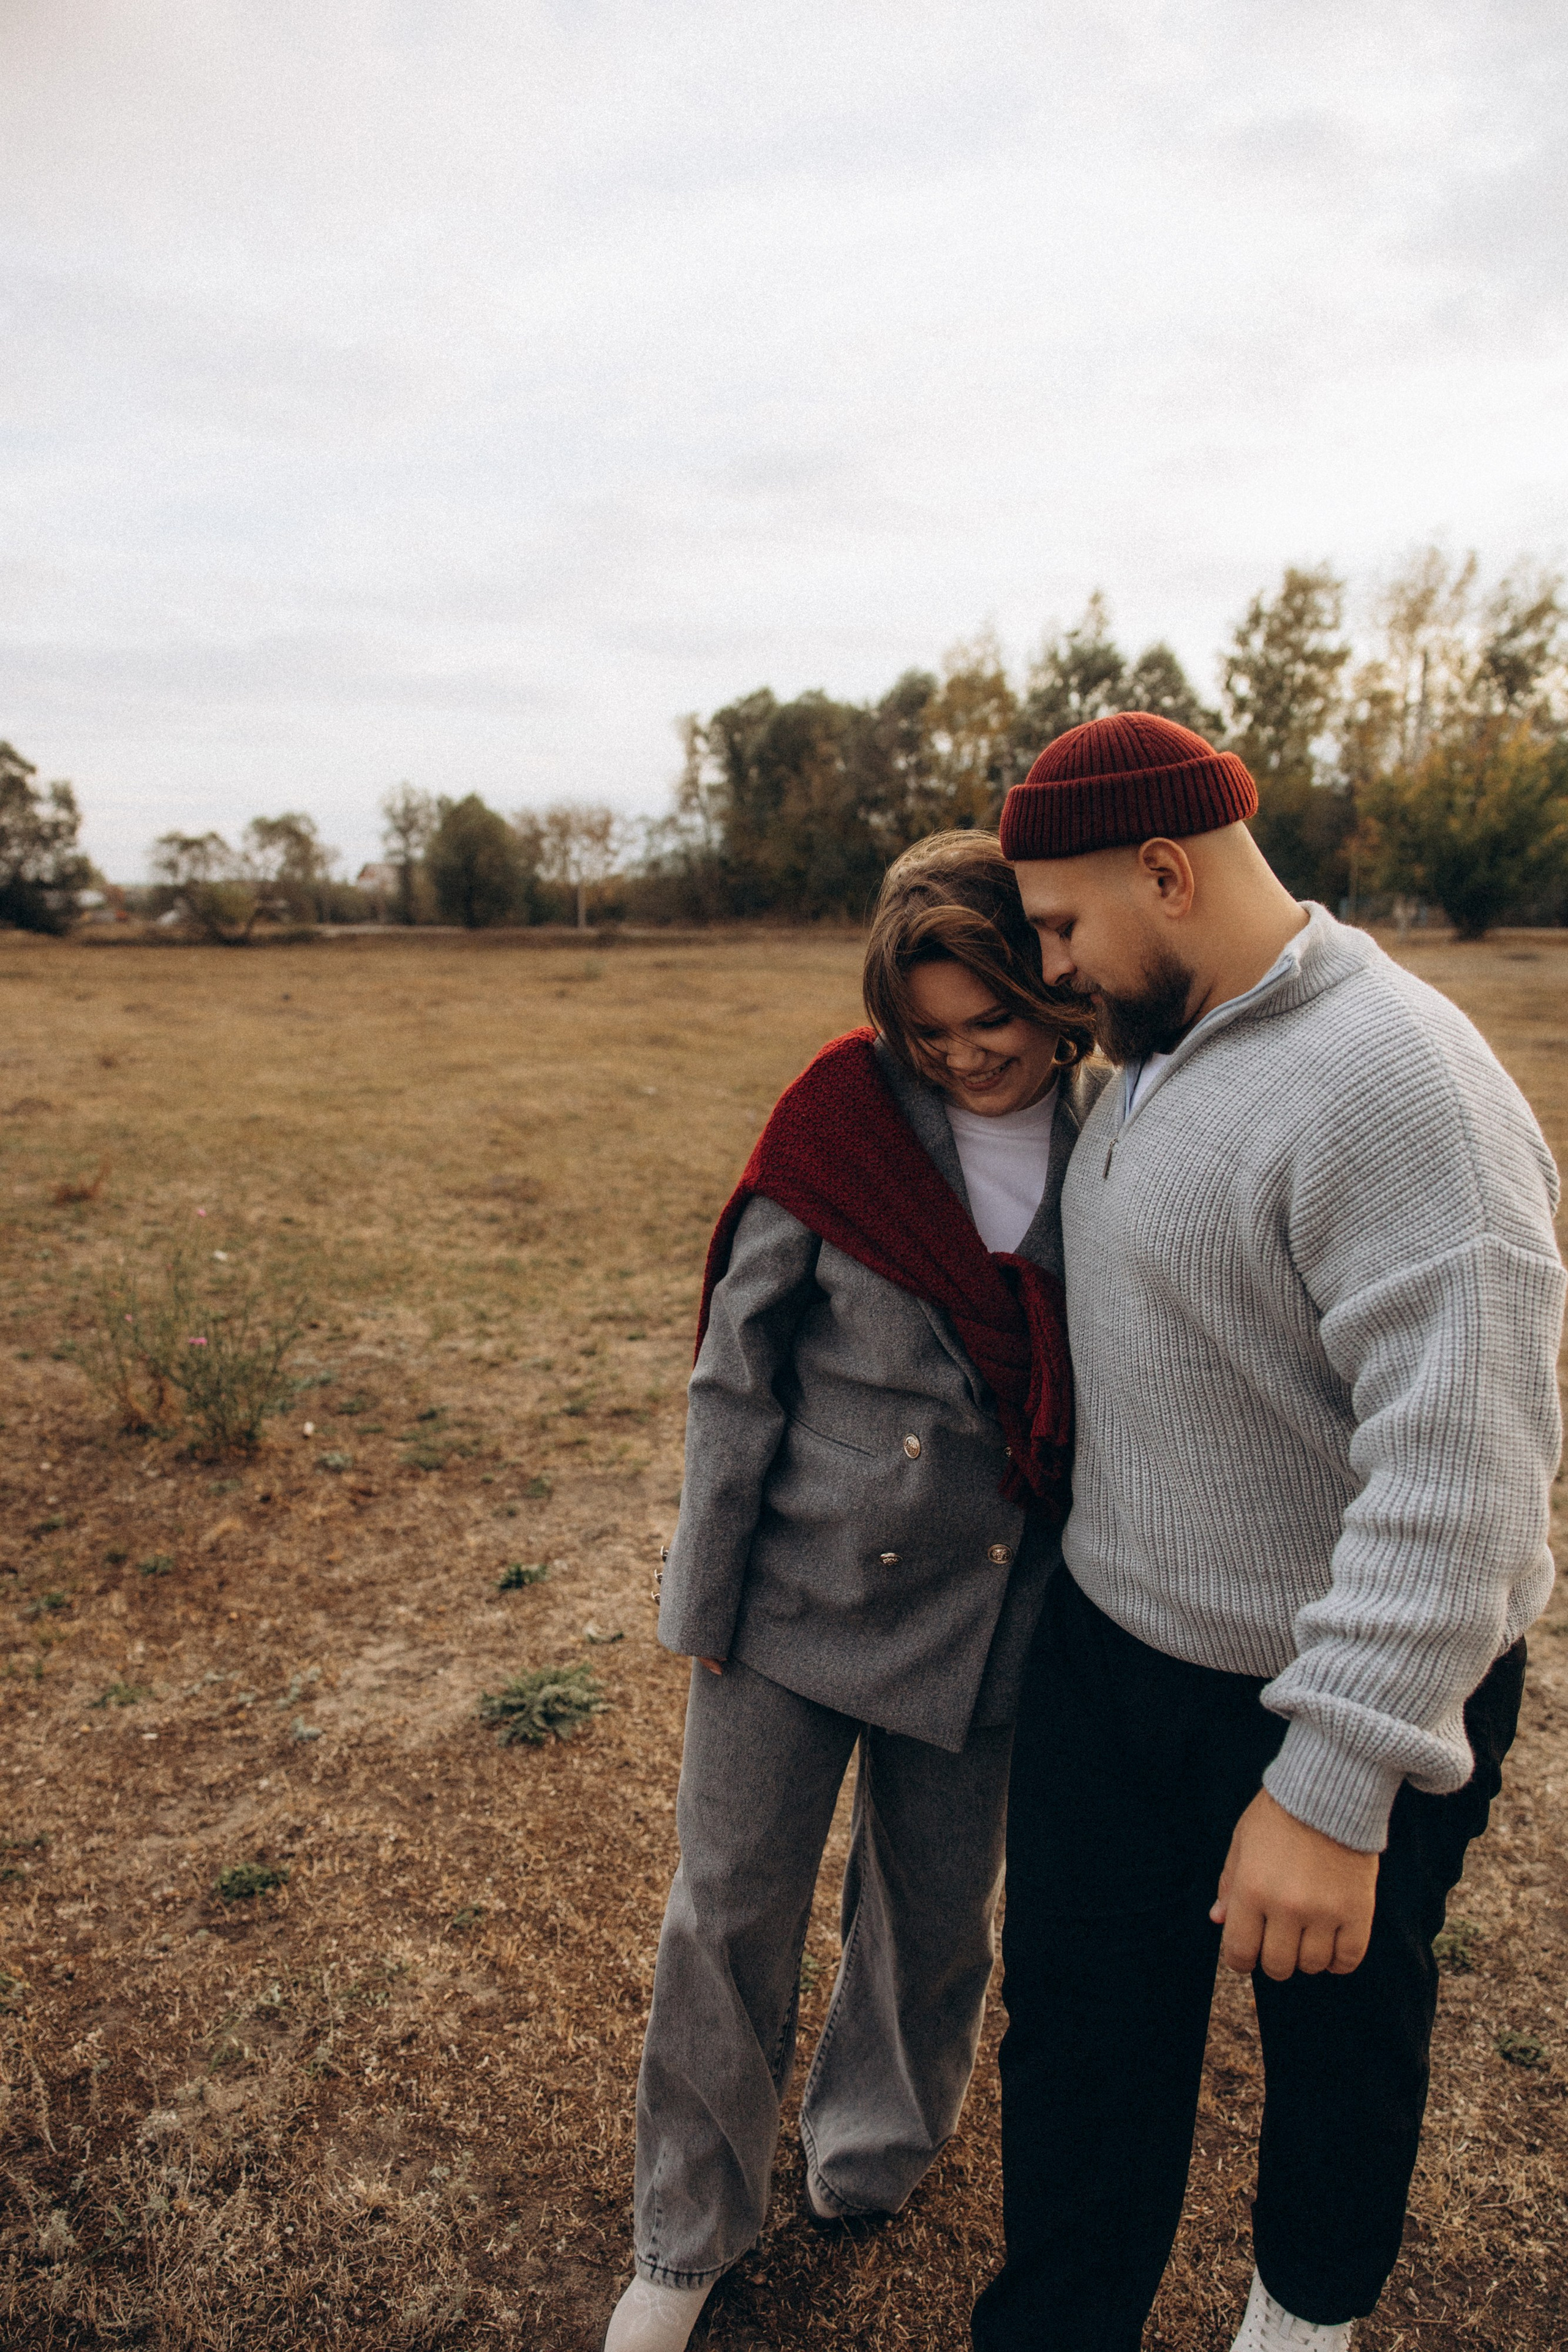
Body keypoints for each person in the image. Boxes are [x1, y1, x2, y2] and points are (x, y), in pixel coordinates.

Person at [971, 712, 1564, 2352]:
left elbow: (1471, 1474)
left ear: (1170, 875)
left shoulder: (1403, 1086)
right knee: (1081, 2046)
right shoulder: (1161, 1045)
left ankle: (1295, 2335)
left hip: (1324, 1687)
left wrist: (1334, 1775)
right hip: (1117, 1658)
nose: (1053, 968)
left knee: (1338, 2055)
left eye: (1066, 927)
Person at [603, 831, 1106, 2352]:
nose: (966, 1059)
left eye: (993, 1023)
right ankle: (683, 2237)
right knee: (731, 1903)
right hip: (792, 1596)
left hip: (994, 1605)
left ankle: (869, 2152)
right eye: (931, 1032)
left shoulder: (1121, 1137)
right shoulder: (840, 1115)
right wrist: (703, 1599)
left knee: (938, 1912)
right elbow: (733, 1368)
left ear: (1051, 995)